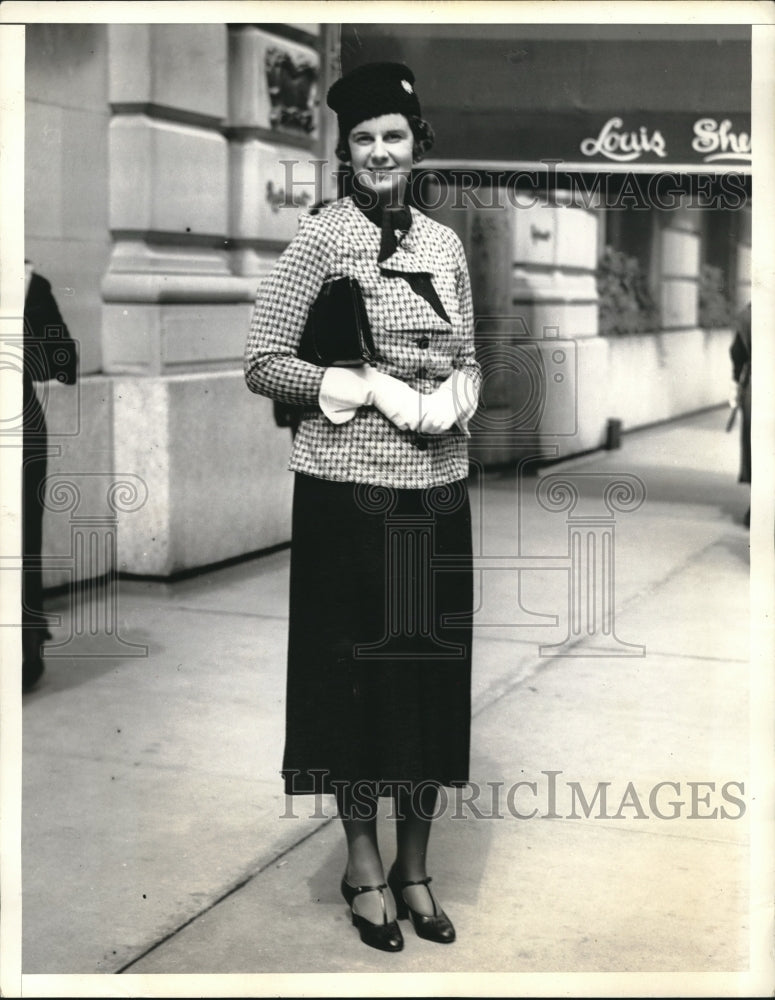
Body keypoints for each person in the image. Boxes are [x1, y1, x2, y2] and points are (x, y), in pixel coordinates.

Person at [244, 62, 480, 952]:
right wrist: (361, 385)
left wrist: (457, 391)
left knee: (425, 680)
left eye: (395, 135)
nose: (382, 152)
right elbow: (264, 362)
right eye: (364, 140)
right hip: (348, 496)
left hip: (437, 495)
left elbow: (464, 354)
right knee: (354, 683)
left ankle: (416, 866)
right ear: (345, 153)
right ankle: (364, 867)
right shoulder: (320, 240)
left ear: (417, 145)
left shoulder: (446, 245)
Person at [22, 261, 78, 690]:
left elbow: (64, 363)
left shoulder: (27, 284)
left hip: (16, 435)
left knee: (19, 545)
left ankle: (23, 654)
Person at [729, 300, 751, 527]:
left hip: (756, 385)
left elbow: (736, 352)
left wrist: (738, 380)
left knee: (754, 444)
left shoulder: (748, 314)